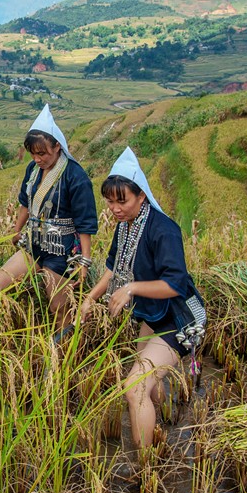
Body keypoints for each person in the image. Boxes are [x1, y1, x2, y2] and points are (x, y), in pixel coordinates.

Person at [80, 147, 206, 451]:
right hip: (152, 314)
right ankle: (159, 430)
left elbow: (174, 284)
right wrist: (89, 298)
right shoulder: (126, 227)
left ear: (142, 196)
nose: (114, 208)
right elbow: (112, 268)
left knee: (135, 386)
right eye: (110, 201)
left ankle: (145, 466)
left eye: (121, 200)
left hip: (177, 318)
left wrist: (132, 288)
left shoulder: (164, 230)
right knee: (145, 381)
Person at [0, 105, 98, 339]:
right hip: (33, 243)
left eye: (43, 154)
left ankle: (64, 356)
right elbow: (25, 203)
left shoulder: (75, 177)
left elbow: (85, 223)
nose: (37, 159)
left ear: (57, 146)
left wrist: (84, 263)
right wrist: (17, 230)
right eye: (33, 154)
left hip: (62, 251)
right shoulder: (33, 169)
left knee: (59, 309)